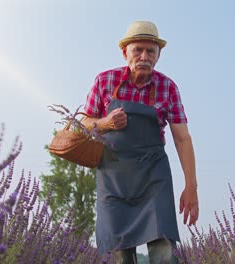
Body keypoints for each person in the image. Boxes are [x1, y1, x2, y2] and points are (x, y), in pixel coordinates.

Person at [81, 20, 199, 264]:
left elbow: (182, 138)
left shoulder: (168, 87)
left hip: (153, 178)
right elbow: (83, 124)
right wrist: (106, 124)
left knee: (163, 253)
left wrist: (191, 187)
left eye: (150, 51)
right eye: (138, 50)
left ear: (158, 55)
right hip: (113, 180)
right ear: (125, 52)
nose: (144, 56)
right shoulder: (104, 81)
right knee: (120, 255)